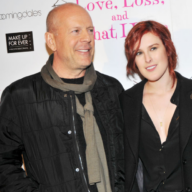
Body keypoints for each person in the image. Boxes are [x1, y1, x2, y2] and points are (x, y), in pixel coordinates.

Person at [0, 3, 124, 192]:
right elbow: (4, 164)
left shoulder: (111, 89)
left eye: (90, 30)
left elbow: (129, 155)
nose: (87, 38)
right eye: (75, 31)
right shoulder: (20, 96)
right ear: (51, 41)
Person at [119, 20, 192, 192]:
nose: (148, 59)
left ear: (167, 48)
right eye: (139, 53)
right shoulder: (126, 102)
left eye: (153, 48)